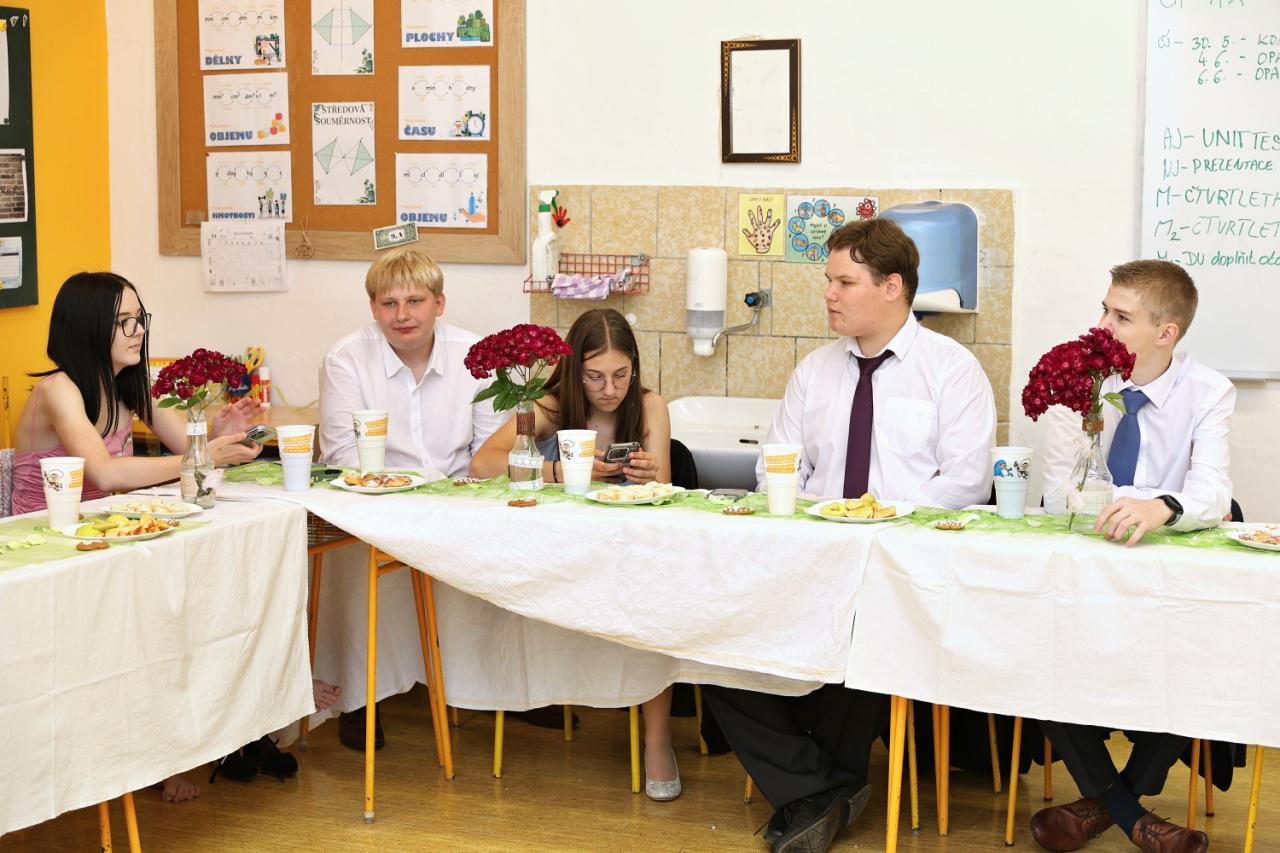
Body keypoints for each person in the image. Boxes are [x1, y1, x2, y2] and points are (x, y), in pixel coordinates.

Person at [700, 218, 995, 852]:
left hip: (902, 569)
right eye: (828, 280)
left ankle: (809, 794)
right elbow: (775, 467)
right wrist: (819, 519)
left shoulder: (951, 370)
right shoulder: (814, 371)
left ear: (892, 287)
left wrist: (875, 518)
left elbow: (967, 482)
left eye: (844, 282)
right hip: (812, 562)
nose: (829, 294)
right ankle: (824, 791)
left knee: (867, 639)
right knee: (712, 643)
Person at [11, 271, 263, 802]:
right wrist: (202, 458)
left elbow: (186, 447)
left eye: (139, 318)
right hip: (49, 549)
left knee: (186, 598)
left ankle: (183, 743)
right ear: (88, 327)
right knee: (157, 616)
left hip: (107, 538)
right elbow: (105, 474)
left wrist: (222, 432)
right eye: (123, 321)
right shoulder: (57, 390)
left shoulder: (130, 386)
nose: (138, 331)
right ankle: (150, 755)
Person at [1031, 260, 1233, 853]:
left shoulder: (1209, 391)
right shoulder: (1079, 378)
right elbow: (1059, 494)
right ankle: (1134, 818)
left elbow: (1213, 492)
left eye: (1120, 316)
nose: (1101, 326)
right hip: (1086, 566)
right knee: (1035, 648)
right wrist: (1131, 502)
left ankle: (1105, 807)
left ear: (1165, 333)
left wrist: (1161, 505)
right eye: (1103, 308)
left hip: (1164, 578)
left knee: (1199, 659)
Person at [469, 307, 683, 801]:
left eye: (621, 375)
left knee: (658, 604)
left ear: (635, 367)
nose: (609, 390)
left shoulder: (650, 406)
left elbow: (668, 492)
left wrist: (649, 474)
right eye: (594, 377)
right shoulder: (549, 406)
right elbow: (483, 464)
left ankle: (657, 741)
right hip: (561, 553)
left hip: (629, 551)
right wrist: (561, 473)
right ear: (573, 371)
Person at [317, 247, 505, 750]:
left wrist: (451, 495)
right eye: (389, 303)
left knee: (511, 539)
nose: (402, 315)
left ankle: (497, 684)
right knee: (352, 550)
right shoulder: (346, 359)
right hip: (378, 500)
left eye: (415, 301)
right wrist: (403, 491)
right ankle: (360, 695)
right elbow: (341, 455)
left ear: (439, 303)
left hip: (459, 496)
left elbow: (490, 450)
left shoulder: (475, 355)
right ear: (373, 308)